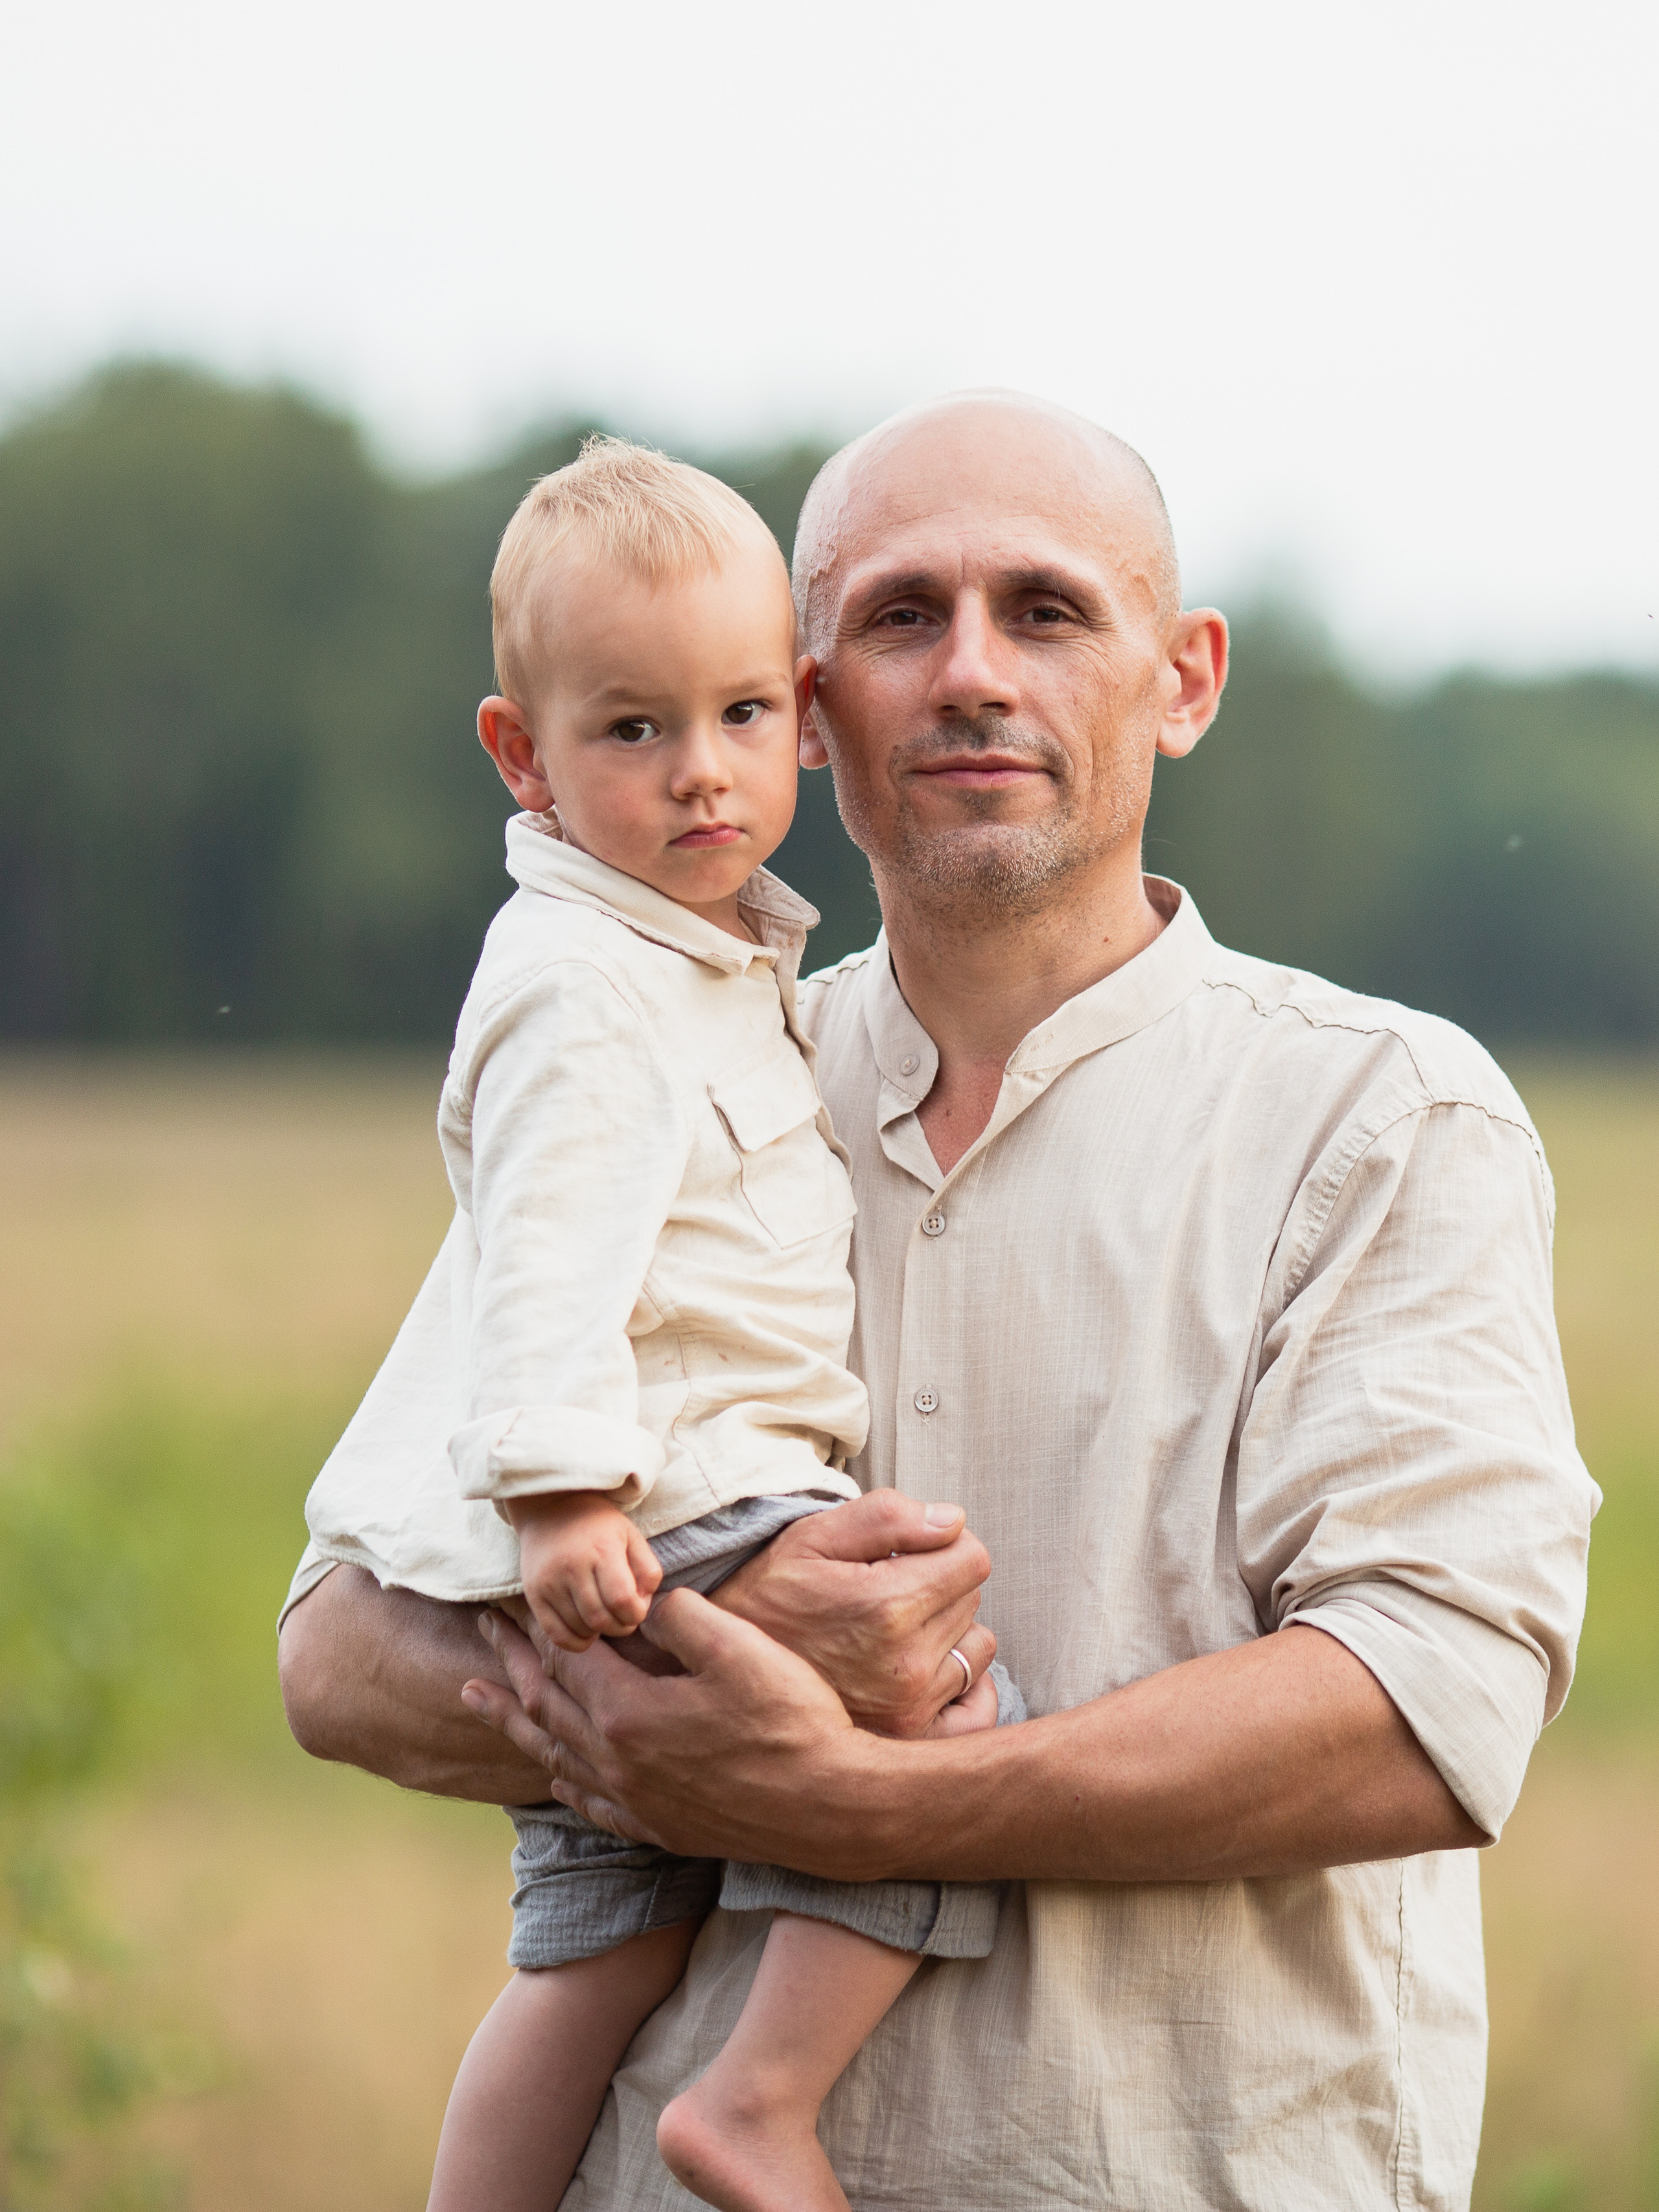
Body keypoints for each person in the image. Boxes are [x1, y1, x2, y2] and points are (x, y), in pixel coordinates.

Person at [280, 392, 1597, 2211]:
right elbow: (339, 1651)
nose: (973, 673)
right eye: (902, 618)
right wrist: (670, 1661)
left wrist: (851, 1803)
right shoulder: (662, 1073)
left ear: (1185, 680)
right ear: (814, 707)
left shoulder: (1383, 1118)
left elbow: (1426, 1710)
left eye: (1046, 611)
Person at [301, 434, 1024, 2212]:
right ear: (522, 754)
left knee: (596, 1952)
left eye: (740, 718)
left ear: (801, 717)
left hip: (644, 1513)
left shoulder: (699, 965)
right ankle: (764, 2100)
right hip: (674, 1503)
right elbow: (549, 1262)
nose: (701, 773)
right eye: (632, 731)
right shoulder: (592, 987)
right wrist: (565, 1502)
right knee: (949, 1707)